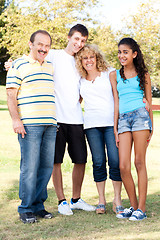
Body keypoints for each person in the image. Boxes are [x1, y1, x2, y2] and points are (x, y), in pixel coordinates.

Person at [6, 30, 57, 223]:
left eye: (47, 45)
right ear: (31, 44)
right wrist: (16, 120)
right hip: (29, 124)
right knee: (29, 167)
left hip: (50, 124)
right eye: (40, 44)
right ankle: (25, 208)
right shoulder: (18, 64)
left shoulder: (51, 66)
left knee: (45, 167)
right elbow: (11, 95)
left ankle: (38, 206)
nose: (44, 49)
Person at [45, 24, 96, 215]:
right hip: (56, 118)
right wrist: (11, 64)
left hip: (76, 118)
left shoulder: (81, 60)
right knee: (56, 160)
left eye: (83, 40)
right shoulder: (54, 55)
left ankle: (76, 199)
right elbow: (33, 58)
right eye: (76, 39)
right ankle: (62, 201)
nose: (79, 43)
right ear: (69, 37)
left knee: (81, 159)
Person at [75, 44, 124, 214]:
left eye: (91, 57)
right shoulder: (80, 80)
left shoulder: (109, 73)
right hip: (91, 126)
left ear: (97, 58)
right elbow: (75, 100)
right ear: (80, 61)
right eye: (85, 58)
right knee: (98, 161)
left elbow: (119, 96)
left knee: (115, 161)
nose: (88, 61)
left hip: (111, 124)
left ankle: (117, 198)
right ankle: (101, 199)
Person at [110, 38, 153, 221]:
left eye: (125, 52)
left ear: (134, 54)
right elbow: (116, 102)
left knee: (139, 162)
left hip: (141, 118)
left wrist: (151, 127)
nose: (122, 55)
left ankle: (141, 209)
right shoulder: (114, 75)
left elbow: (149, 103)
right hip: (124, 121)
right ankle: (133, 206)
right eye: (120, 52)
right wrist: (115, 126)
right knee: (123, 166)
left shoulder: (144, 74)